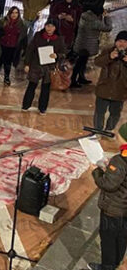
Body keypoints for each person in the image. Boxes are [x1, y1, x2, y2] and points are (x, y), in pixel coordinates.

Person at [88, 140, 127, 270]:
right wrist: (110, 172)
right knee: (121, 237)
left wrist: (97, 172)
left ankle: (107, 267)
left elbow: (108, 185)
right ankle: (116, 262)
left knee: (108, 239)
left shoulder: (120, 160)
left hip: (114, 208)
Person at [22, 20, 66, 114]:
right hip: (36, 65)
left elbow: (64, 53)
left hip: (49, 67)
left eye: (52, 26)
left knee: (46, 88)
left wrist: (57, 55)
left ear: (55, 28)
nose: (49, 28)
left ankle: (42, 108)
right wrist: (27, 64)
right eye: (48, 26)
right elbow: (30, 50)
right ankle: (26, 105)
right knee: (31, 85)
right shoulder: (38, 35)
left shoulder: (59, 39)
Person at [91, 31, 127, 131]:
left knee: (115, 113)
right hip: (104, 87)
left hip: (121, 90)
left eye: (125, 41)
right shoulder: (108, 50)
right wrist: (109, 57)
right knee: (99, 111)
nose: (122, 44)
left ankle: (109, 130)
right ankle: (98, 130)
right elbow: (97, 62)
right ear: (116, 42)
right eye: (120, 41)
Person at [72, 7, 112, 87]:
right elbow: (108, 28)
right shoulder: (95, 22)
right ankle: (73, 80)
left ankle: (80, 78)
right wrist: (107, 17)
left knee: (81, 62)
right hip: (87, 45)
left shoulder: (84, 17)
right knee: (80, 63)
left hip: (81, 43)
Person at [0, 7, 27, 86]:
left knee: (8, 63)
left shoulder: (22, 25)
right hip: (1, 45)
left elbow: (24, 38)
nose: (14, 14)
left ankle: (6, 77)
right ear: (9, 13)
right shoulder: (2, 22)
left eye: (16, 13)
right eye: (12, 12)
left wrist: (24, 49)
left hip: (13, 47)